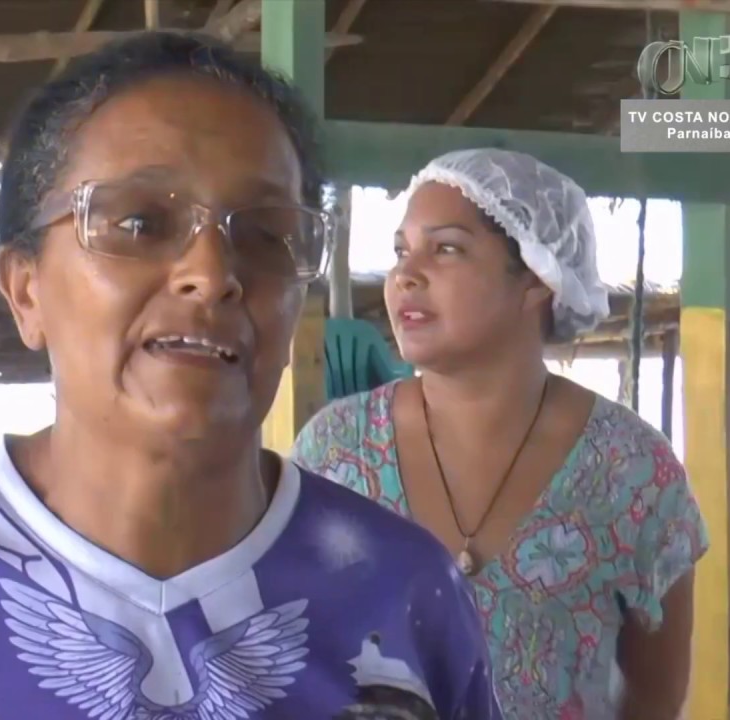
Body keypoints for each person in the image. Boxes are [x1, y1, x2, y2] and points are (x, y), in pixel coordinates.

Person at [0, 32, 502, 720]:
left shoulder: (401, 594)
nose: (211, 272)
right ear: (25, 289)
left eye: (264, 235)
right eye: (137, 224)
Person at [292, 148, 708, 720]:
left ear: (538, 277)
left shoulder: (631, 470)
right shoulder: (334, 451)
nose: (405, 274)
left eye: (446, 248)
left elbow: (655, 699)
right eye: (400, 250)